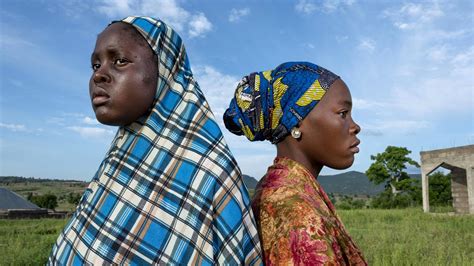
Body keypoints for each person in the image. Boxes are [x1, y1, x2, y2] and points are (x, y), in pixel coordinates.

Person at [48, 16, 262, 265]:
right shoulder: (119, 159)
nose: (99, 76)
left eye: (119, 61)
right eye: (96, 66)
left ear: (165, 70)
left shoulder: (207, 173)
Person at [224, 62, 366, 265]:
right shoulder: (296, 213)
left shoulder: (277, 188)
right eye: (343, 113)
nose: (355, 126)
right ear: (297, 121)